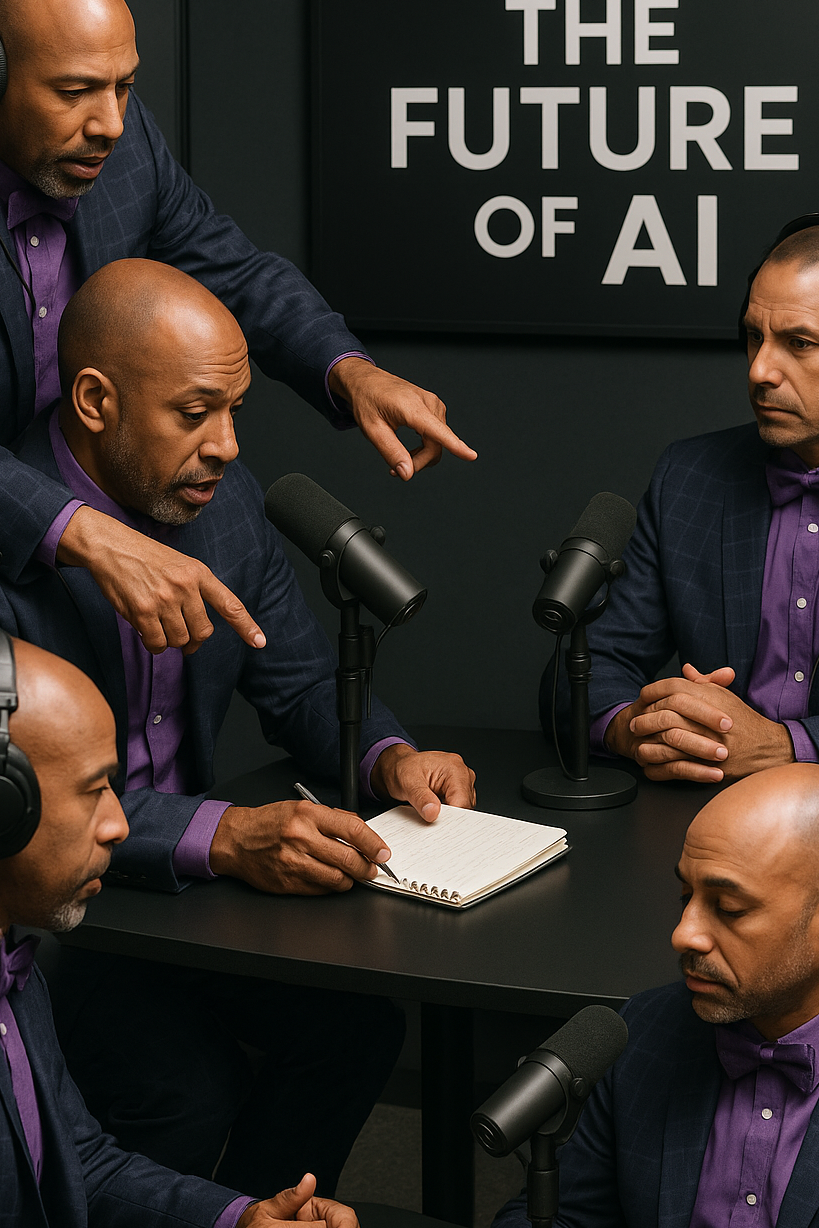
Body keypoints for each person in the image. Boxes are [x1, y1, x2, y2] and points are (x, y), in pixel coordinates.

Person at [0, 256, 476, 1197]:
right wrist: (225, 836)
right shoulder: (16, 541)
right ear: (94, 402)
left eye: (235, 410)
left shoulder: (227, 511)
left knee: (356, 1031)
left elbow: (298, 683)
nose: (225, 445)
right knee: (185, 1090)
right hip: (53, 907)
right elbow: (28, 806)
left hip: (187, 893)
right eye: (194, 413)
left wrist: (388, 758)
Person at [0, 0, 477, 660]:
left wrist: (350, 371)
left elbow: (229, 265)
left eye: (125, 85)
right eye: (74, 91)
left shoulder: (124, 142)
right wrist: (74, 524)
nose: (111, 124)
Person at [0, 631, 361, 1228]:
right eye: (92, 793)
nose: (119, 827)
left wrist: (239, 1219)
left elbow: (80, 1165)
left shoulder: (18, 971)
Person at [542, 217, 819, 784]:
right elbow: (585, 670)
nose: (760, 370)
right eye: (754, 336)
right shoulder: (690, 477)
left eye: (799, 343)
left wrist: (787, 746)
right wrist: (642, 729)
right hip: (702, 810)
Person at [494, 761, 819, 1228]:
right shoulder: (645, 1031)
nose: (683, 934)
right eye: (686, 896)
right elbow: (564, 1216)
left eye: (729, 908)